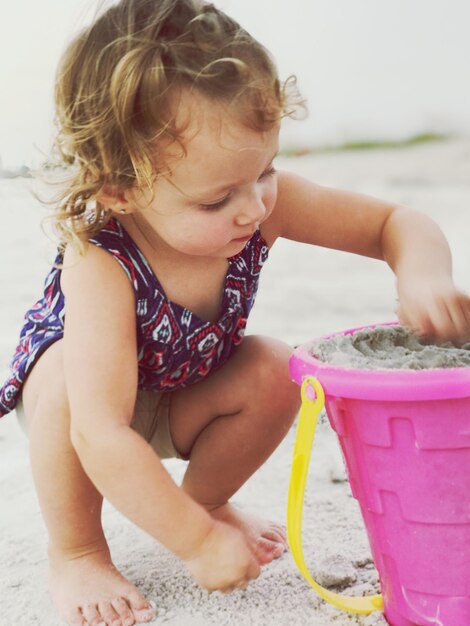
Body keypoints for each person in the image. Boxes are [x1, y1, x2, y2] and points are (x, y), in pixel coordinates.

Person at [1, 1, 470, 625]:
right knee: (58, 382)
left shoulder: (256, 204)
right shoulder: (102, 260)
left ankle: (208, 501)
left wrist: (422, 271)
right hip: (92, 413)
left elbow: (393, 223)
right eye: (218, 198)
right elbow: (102, 433)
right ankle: (79, 550)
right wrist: (188, 544)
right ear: (119, 188)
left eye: (266, 170)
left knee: (280, 367)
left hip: (183, 394)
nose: (253, 208)